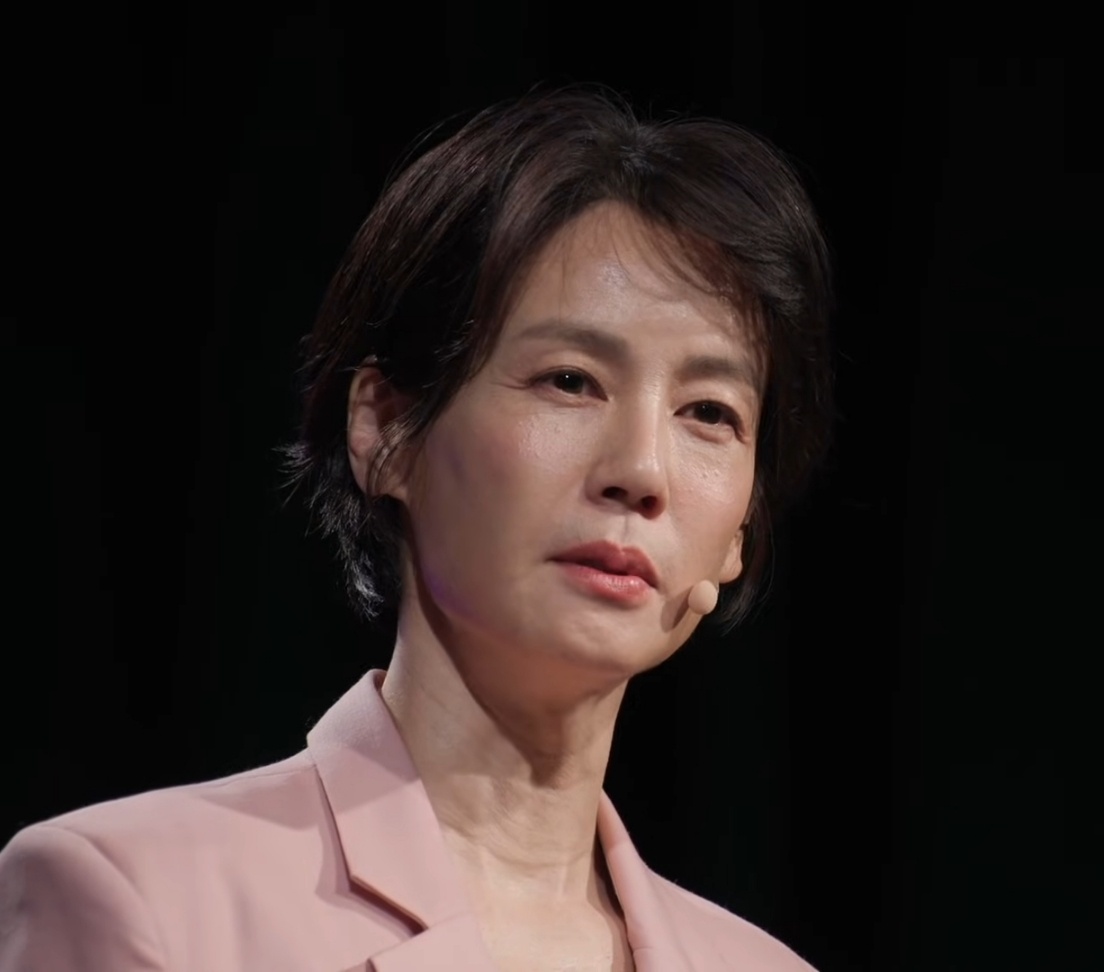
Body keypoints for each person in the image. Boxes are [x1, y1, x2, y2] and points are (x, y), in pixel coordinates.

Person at [0, 86, 833, 971]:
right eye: (570, 381)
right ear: (387, 430)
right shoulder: (145, 899)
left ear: (740, 531)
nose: (642, 471)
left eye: (709, 412)